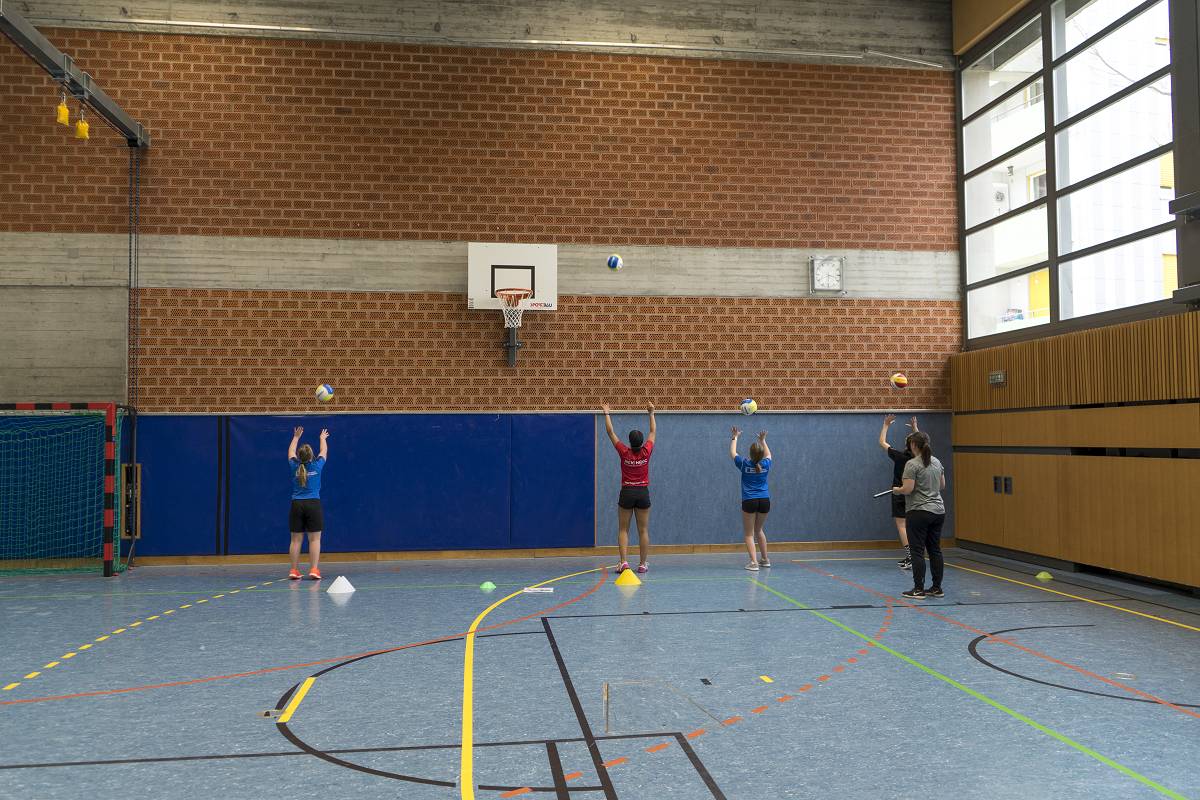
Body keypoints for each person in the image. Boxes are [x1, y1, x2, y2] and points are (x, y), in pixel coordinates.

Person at [601, 402, 656, 574]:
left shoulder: (624, 452)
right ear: (641, 442)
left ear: (630, 442)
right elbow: (653, 432)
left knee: (623, 529)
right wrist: (651, 413)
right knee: (643, 530)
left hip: (627, 493)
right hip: (642, 493)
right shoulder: (646, 452)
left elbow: (610, 433)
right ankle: (642, 564)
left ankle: (624, 562)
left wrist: (607, 413)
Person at [891, 430, 946, 600]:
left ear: (913, 445)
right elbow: (942, 486)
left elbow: (908, 489)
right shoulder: (937, 462)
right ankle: (937, 588)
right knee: (935, 550)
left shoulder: (912, 464)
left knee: (917, 551)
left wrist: (897, 490)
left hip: (919, 512)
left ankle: (918, 589)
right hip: (938, 512)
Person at [288, 425, 328, 580]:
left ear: (300, 457)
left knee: (295, 540)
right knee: (315, 539)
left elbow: (291, 451)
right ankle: (314, 569)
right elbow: (324, 451)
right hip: (313, 504)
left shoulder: (294, 466)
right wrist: (322, 438)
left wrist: (296, 437)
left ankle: (293, 570)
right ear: (311, 456)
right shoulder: (317, 465)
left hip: (297, 505)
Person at [879, 414, 919, 570]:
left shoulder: (900, 456)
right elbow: (922, 443)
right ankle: (914, 556)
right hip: (915, 494)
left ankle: (911, 557)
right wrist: (915, 429)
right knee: (913, 526)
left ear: (908, 445)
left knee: (902, 525)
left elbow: (882, 442)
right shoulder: (919, 459)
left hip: (899, 493)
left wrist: (886, 425)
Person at [731, 427, 772, 570]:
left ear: (750, 454)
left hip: (749, 501)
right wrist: (763, 440)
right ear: (761, 455)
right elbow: (768, 454)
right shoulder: (766, 464)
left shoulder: (744, 463)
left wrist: (735, 437)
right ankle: (765, 559)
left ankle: (754, 563)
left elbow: (733, 452)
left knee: (749, 534)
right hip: (765, 500)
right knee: (759, 530)